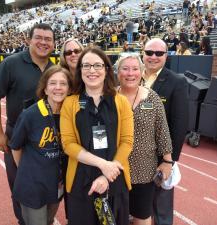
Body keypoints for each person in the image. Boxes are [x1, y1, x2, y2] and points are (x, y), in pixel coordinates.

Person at [0, 23, 55, 225]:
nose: (43, 42)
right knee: (20, 186)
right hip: (19, 138)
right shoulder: (11, 63)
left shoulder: (55, 68)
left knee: (48, 184)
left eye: (48, 39)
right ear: (29, 40)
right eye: (39, 38)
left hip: (48, 141)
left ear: (53, 43)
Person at [60, 47, 134, 225]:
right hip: (81, 183)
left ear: (107, 69)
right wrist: (103, 165)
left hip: (115, 181)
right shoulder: (70, 103)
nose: (92, 70)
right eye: (86, 65)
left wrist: (107, 174)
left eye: (97, 65)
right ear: (80, 70)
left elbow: (127, 142)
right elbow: (68, 144)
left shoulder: (121, 101)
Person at [9, 65, 72, 225]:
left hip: (56, 185)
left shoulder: (69, 114)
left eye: (63, 83)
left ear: (69, 89)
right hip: (33, 186)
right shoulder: (30, 114)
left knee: (49, 221)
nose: (58, 88)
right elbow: (16, 146)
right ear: (44, 89)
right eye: (52, 83)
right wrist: (27, 172)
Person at [116, 53, 173, 225]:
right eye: (125, 69)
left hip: (144, 170)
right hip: (116, 168)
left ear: (142, 72)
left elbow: (162, 130)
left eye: (135, 69)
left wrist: (167, 161)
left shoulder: (152, 97)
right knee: (116, 215)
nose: (130, 73)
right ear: (118, 72)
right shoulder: (110, 97)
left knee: (142, 215)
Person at [142, 38, 189, 225]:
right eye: (149, 52)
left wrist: (170, 160)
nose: (153, 57)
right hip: (134, 154)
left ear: (166, 55)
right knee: (139, 205)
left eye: (159, 53)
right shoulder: (132, 76)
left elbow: (179, 124)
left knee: (161, 207)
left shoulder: (177, 82)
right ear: (142, 53)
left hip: (160, 155)